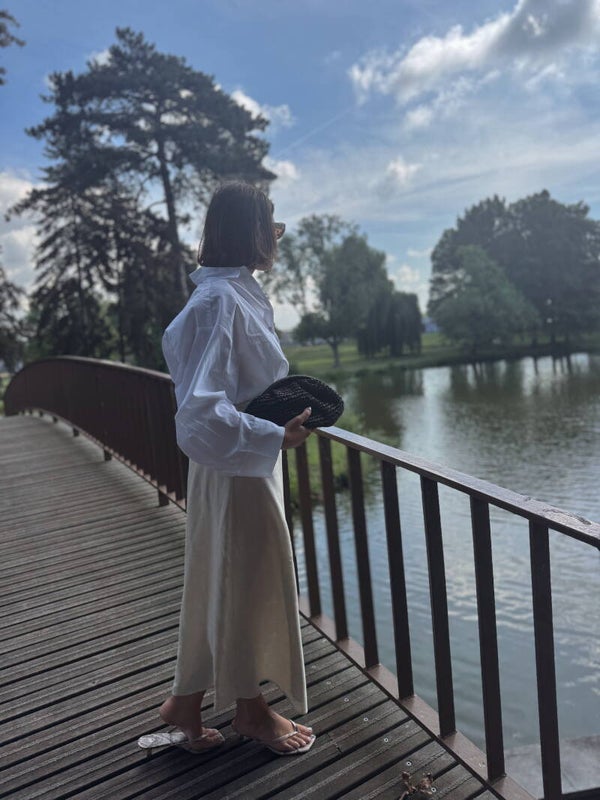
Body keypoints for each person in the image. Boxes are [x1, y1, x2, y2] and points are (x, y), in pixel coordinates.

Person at [155, 182, 315, 756]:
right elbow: (201, 410)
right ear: (251, 230)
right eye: (273, 226)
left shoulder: (229, 294)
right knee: (244, 580)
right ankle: (249, 710)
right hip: (237, 470)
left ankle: (186, 702)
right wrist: (275, 434)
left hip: (236, 464)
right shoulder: (219, 301)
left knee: (219, 577)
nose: (277, 238)